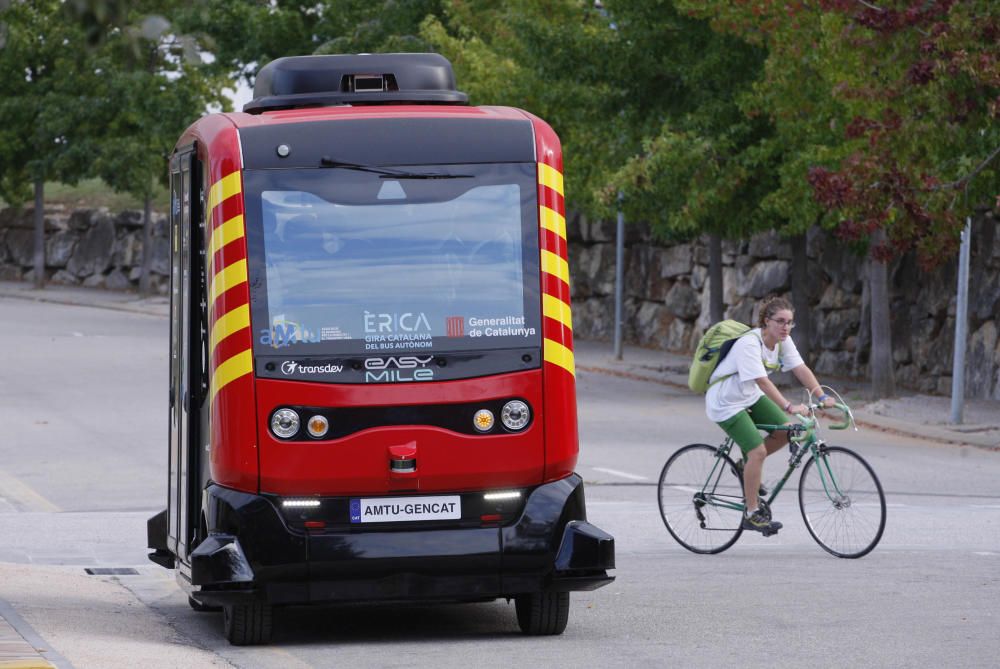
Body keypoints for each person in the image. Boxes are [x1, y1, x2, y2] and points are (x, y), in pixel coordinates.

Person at [705, 296, 836, 534]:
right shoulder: (749, 344)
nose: (786, 327)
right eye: (780, 321)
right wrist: (789, 406)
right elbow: (762, 382)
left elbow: (800, 368)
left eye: (790, 322)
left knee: (784, 432)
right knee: (758, 451)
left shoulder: (783, 341)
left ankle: (745, 466)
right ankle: (752, 514)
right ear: (766, 322)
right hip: (725, 402)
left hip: (749, 396)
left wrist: (821, 396)